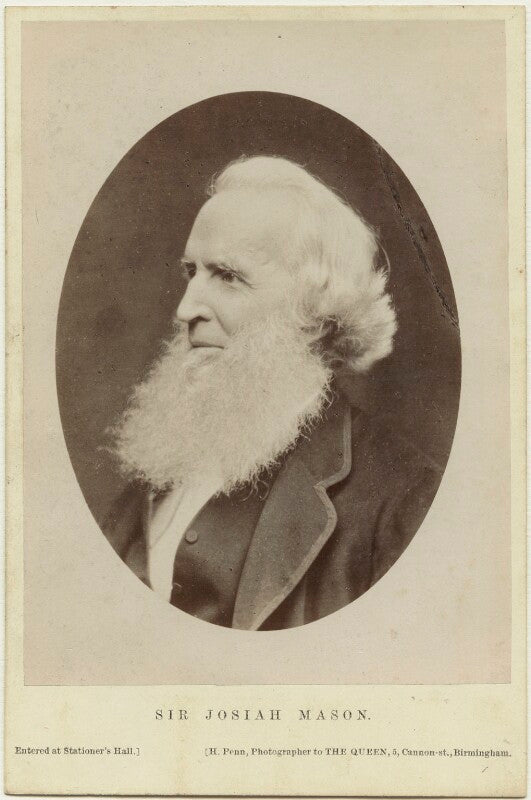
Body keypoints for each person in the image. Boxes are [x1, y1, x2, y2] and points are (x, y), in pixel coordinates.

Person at [103, 155, 442, 630]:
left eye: (227, 276)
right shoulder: (154, 476)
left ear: (315, 309)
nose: (186, 309)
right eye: (190, 272)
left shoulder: (404, 502)